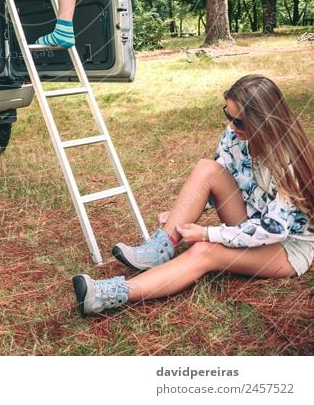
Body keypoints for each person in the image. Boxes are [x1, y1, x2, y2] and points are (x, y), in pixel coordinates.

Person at [73, 74, 314, 315]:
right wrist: (183, 211)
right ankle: (159, 248)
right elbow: (219, 180)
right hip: (251, 220)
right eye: (228, 116)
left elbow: (273, 229)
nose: (231, 126)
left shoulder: (287, 163)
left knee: (205, 251)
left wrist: (208, 234)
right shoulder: (235, 137)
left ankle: (107, 294)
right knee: (207, 168)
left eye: (239, 121)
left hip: (286, 245)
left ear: (263, 121)